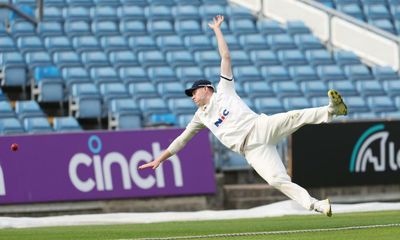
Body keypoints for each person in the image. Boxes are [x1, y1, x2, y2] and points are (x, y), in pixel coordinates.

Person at [139, 15, 347, 217]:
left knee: (294, 116)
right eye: (191, 94)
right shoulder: (200, 117)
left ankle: (332, 110)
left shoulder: (224, 89)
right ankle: (317, 205)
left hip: (260, 127)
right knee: (275, 180)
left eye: (194, 92)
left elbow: (225, 57)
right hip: (251, 150)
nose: (192, 96)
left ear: (206, 89)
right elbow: (181, 140)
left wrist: (217, 31)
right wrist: (161, 158)